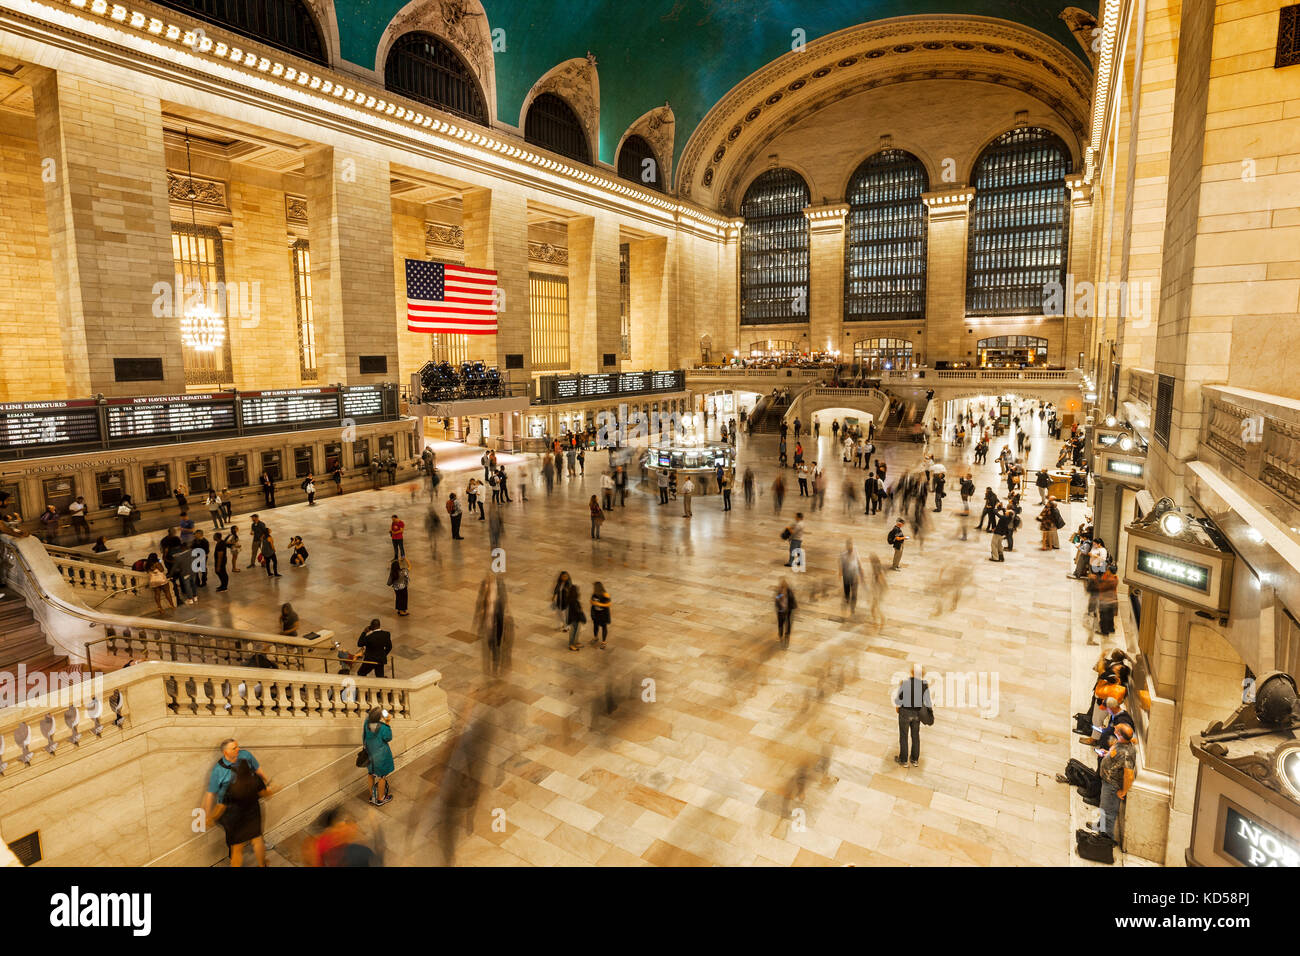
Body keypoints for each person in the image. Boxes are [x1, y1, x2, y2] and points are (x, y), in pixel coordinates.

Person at [202, 738, 271, 821]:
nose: (238, 749)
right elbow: (210, 794)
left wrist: (267, 783)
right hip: (231, 809)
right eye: (234, 748)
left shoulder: (246, 755)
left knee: (256, 830)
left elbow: (258, 770)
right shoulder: (218, 770)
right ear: (225, 752)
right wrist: (207, 815)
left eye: (237, 746)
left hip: (250, 802)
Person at [1089, 723, 1136, 843]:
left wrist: (1123, 791)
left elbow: (1129, 775)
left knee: (1108, 812)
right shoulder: (1120, 743)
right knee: (1104, 808)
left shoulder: (1127, 753)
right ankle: (1101, 827)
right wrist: (1106, 754)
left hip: (1112, 785)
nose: (1114, 727)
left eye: (1117, 728)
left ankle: (1106, 840)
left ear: (1119, 734)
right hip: (1107, 780)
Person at [893, 664, 932, 767]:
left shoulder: (905, 683)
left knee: (903, 736)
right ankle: (914, 759)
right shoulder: (924, 685)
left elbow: (898, 699)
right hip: (917, 714)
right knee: (915, 736)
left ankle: (903, 760)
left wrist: (898, 707)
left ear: (912, 672)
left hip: (905, 713)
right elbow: (927, 701)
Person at [360, 706, 396, 807]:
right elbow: (388, 737)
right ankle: (380, 799)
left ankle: (372, 797)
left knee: (370, 774)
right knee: (381, 777)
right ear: (379, 717)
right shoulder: (383, 728)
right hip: (380, 756)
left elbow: (363, 736)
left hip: (370, 754)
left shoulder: (366, 723)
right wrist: (388, 722)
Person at [840, 538, 864, 611]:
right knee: (847, 589)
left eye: (851, 544)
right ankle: (847, 599)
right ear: (847, 546)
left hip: (854, 575)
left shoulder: (855, 550)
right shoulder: (843, 554)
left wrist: (861, 571)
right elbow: (842, 565)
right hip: (846, 575)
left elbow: (858, 560)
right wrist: (840, 572)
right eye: (849, 545)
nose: (851, 547)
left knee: (854, 592)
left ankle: (853, 607)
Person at [774, 579, 796, 648]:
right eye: (782, 588)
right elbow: (776, 600)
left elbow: (792, 600)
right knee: (780, 624)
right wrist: (779, 600)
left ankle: (787, 635)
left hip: (787, 610)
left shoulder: (789, 593)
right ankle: (780, 635)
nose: (783, 590)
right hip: (780, 611)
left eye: (784, 588)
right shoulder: (779, 594)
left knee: (788, 622)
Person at [565, 581, 586, 651]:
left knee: (575, 631)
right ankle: (571, 645)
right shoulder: (573, 601)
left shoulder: (572, 600)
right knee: (573, 631)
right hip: (575, 619)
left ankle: (575, 642)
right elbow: (576, 611)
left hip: (574, 618)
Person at [589, 582, 611, 648]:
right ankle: (595, 637)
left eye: (594, 587)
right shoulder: (594, 594)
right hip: (596, 613)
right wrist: (592, 602)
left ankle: (603, 642)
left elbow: (608, 604)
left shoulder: (605, 594)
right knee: (595, 625)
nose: (593, 589)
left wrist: (599, 604)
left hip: (603, 614)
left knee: (604, 627)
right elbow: (591, 601)